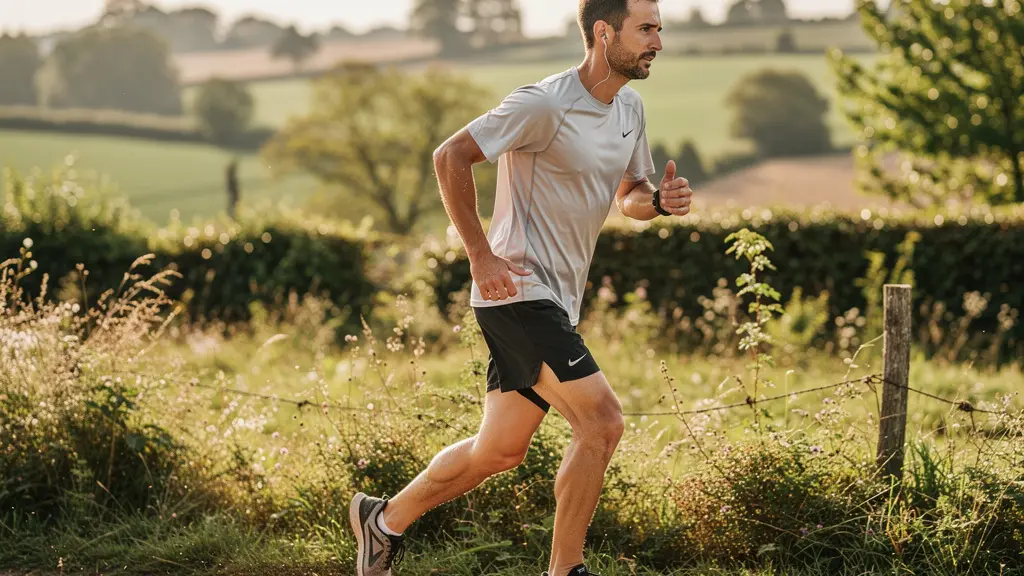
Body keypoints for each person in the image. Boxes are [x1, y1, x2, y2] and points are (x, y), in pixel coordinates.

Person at [349, 1, 693, 574]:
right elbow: (450, 155)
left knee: (500, 450)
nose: (658, 41)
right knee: (602, 422)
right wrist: (480, 255)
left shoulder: (629, 108)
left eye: (659, 28)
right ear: (604, 32)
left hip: (557, 301)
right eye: (646, 29)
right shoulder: (545, 103)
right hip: (517, 291)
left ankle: (381, 521)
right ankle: (566, 568)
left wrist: (656, 202)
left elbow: (628, 194)